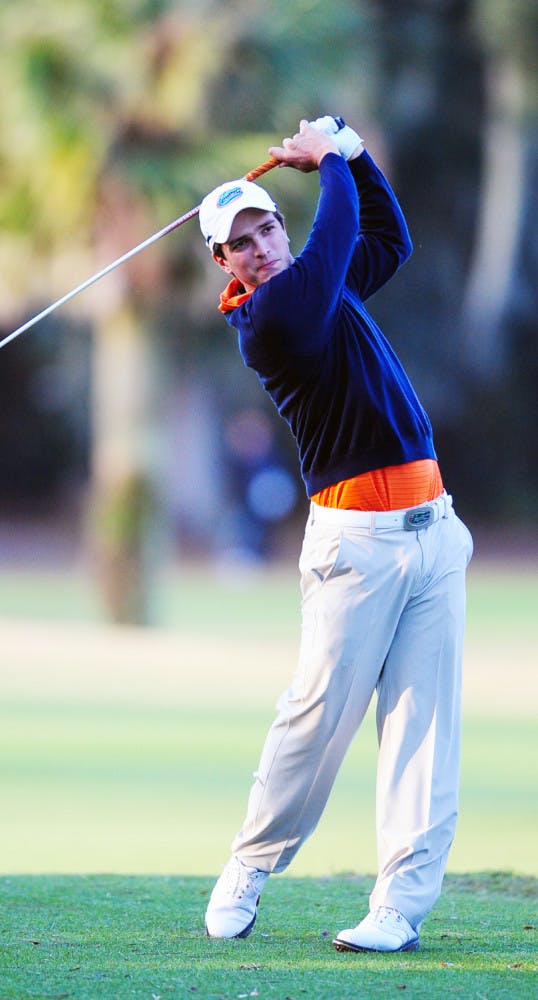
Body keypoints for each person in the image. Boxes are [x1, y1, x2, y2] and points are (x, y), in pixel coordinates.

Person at [197, 117, 473, 953]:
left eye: (267, 226)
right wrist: (326, 164)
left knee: (424, 726)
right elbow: (335, 240)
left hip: (434, 532)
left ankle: (398, 908)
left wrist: (352, 151)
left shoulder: (323, 281)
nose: (260, 246)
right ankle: (251, 863)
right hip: (356, 545)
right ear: (225, 265)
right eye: (241, 243)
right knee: (318, 719)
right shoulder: (273, 317)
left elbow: (388, 236)